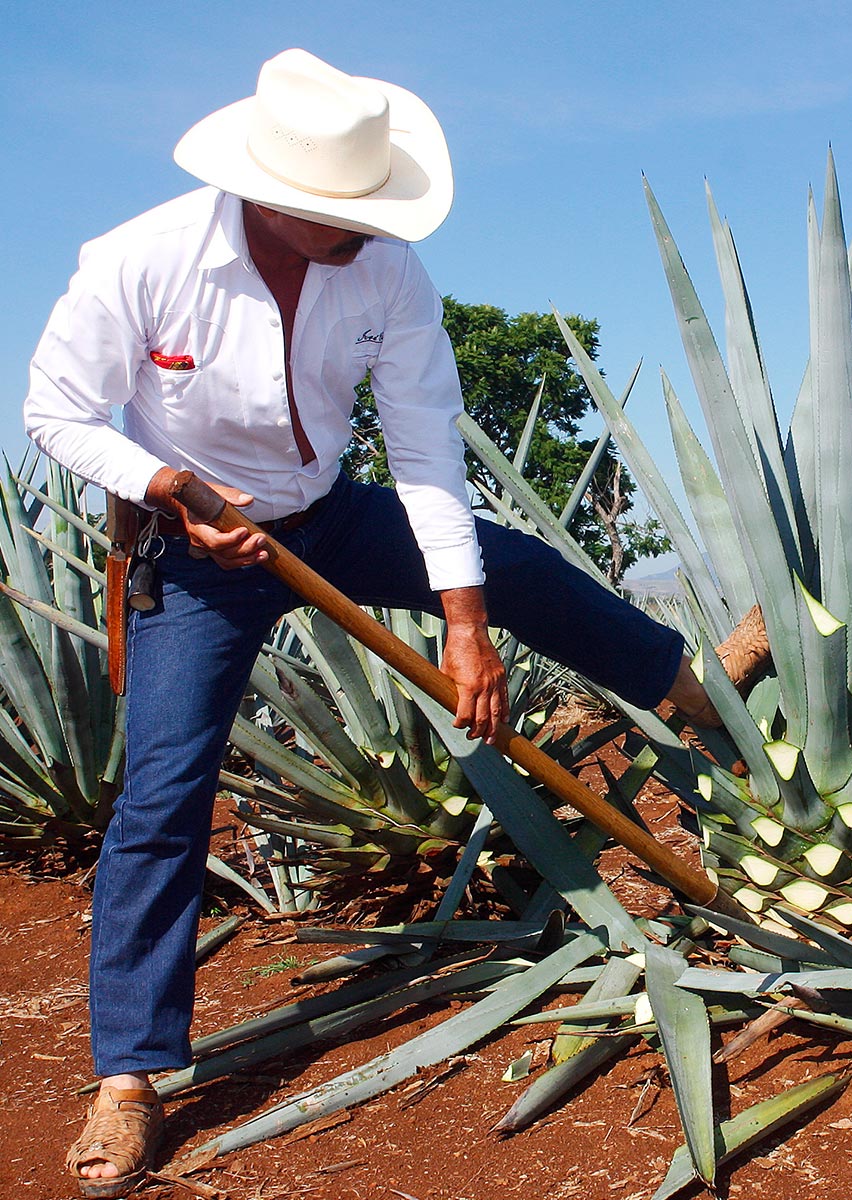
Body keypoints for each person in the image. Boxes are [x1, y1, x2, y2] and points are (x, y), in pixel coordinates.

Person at [25, 49, 748, 1197]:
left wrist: (464, 624)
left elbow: (422, 448)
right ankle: (131, 1076)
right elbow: (55, 411)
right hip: (196, 549)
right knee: (163, 792)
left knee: (513, 569)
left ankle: (695, 691)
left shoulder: (386, 273)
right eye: (341, 213)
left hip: (327, 518)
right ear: (275, 196)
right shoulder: (139, 262)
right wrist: (167, 489)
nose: (366, 227)